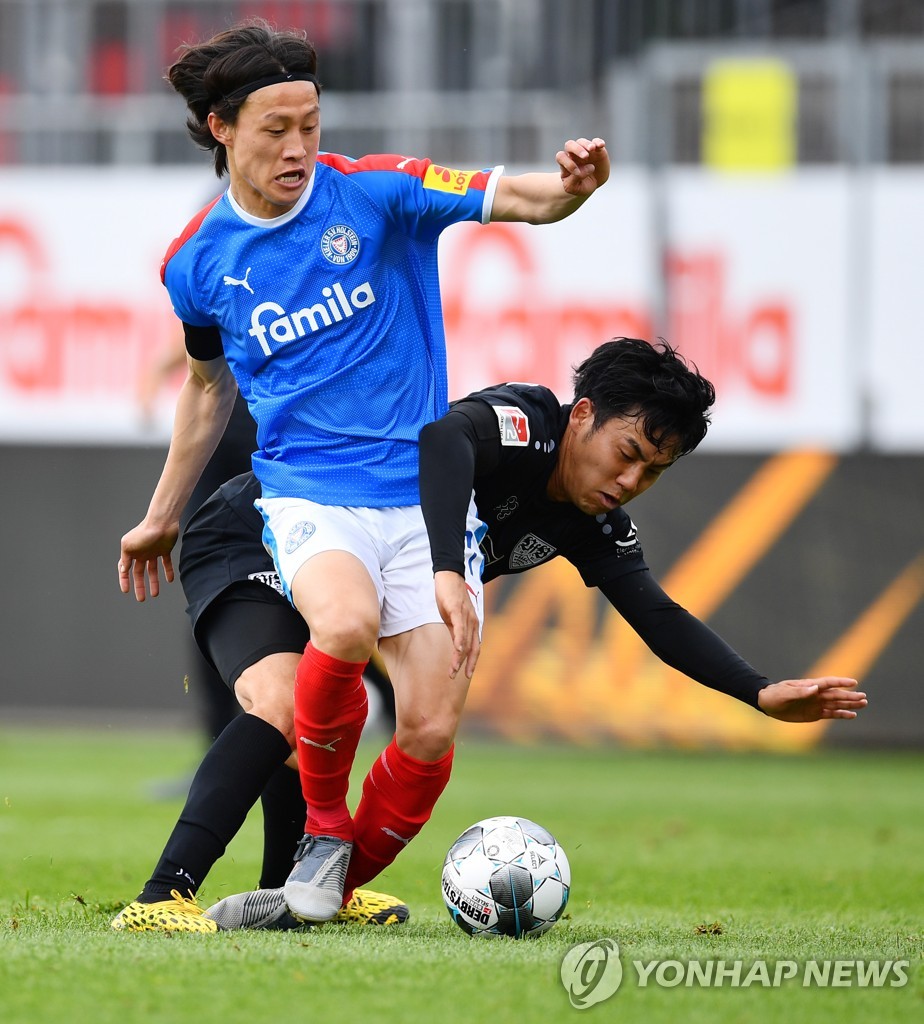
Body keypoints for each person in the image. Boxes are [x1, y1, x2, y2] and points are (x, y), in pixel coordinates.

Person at [117, 18, 610, 927]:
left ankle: (313, 895)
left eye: (310, 125)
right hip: (306, 491)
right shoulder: (197, 262)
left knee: (428, 726)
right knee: (340, 630)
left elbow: (519, 197)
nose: (298, 147)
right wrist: (161, 513)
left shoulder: (381, 192)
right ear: (222, 128)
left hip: (422, 505)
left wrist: (571, 189)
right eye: (276, 129)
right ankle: (314, 838)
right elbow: (205, 386)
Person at [122, 337, 865, 932]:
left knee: (426, 727)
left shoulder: (593, 518)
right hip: (257, 530)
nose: (631, 480)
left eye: (653, 472)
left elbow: (658, 616)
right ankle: (163, 895)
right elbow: (443, 439)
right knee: (286, 707)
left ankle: (300, 893)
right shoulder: (525, 424)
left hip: (363, 574)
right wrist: (448, 567)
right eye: (628, 453)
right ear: (582, 416)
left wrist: (760, 692)